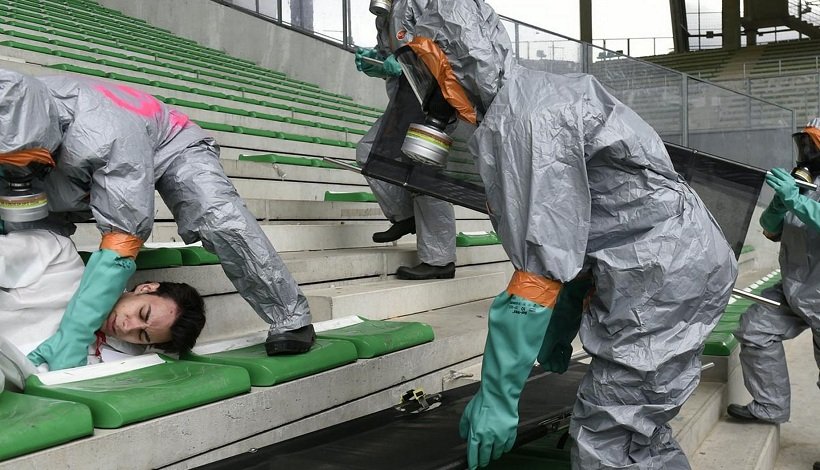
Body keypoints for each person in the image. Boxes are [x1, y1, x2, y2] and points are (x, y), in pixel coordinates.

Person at [358, 2, 738, 468]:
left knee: (608, 435)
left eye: (418, 65)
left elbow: (538, 274)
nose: (420, 86)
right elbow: (584, 233)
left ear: (447, 54)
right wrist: (562, 327)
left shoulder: (526, 122)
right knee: (639, 431)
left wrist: (498, 398)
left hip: (661, 278)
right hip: (669, 265)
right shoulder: (527, 101)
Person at [0, 68, 315, 372]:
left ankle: (289, 315)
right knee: (23, 219)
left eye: (143, 327)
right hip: (59, 161)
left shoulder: (104, 135)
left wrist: (75, 334)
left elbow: (122, 236)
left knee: (217, 216)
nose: (129, 325)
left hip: (170, 145)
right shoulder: (14, 103)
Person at [726, 119, 820, 470]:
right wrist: (780, 205)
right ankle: (770, 405)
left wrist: (796, 200)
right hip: (795, 289)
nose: (806, 154)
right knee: (755, 330)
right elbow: (770, 231)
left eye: (813, 146)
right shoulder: (804, 185)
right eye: (804, 145)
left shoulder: (804, 192)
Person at [352, 0, 458, 281]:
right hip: (406, 100)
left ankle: (439, 259)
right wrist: (375, 60)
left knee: (426, 174)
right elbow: (391, 53)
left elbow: (444, 42)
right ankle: (405, 217)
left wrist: (407, 59)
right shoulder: (384, 14)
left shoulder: (420, 2)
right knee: (370, 153)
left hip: (436, 101)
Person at [0, 230, 206, 370]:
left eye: (142, 335)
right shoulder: (60, 259)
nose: (127, 327)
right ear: (145, 288)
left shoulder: (102, 361)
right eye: (142, 313)